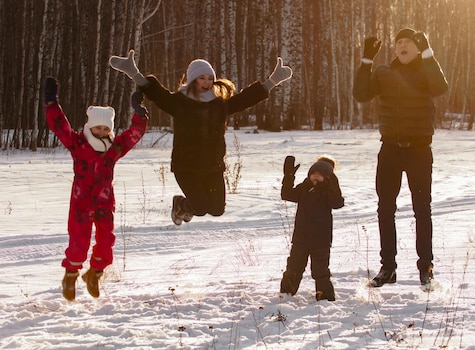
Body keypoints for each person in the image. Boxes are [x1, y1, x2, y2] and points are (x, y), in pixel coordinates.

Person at [109, 50, 292, 225]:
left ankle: (186, 206)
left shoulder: (218, 105)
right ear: (192, 80)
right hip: (186, 166)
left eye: (210, 78)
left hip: (212, 166)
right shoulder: (180, 102)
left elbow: (244, 100)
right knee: (201, 207)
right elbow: (156, 93)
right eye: (202, 78)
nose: (206, 82)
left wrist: (273, 81)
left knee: (217, 209)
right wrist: (133, 72)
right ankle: (181, 204)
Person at [352, 28, 449, 287]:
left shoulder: (426, 71)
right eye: (398, 43)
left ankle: (425, 267)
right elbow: (361, 94)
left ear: (417, 48)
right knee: (385, 208)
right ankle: (388, 268)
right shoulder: (383, 73)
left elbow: (441, 87)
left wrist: (429, 54)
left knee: (422, 209)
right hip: (390, 150)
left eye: (408, 42)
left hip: (418, 150)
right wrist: (366, 61)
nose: (402, 46)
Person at [44, 77, 149, 300]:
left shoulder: (113, 149)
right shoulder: (78, 144)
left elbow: (133, 135)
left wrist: (140, 114)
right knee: (79, 242)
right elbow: (60, 126)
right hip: (81, 204)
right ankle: (70, 276)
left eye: (105, 128)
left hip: (104, 203)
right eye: (97, 127)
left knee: (106, 242)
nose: (102, 132)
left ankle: (94, 274)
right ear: (90, 127)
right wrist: (51, 103)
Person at [279, 155, 345, 301]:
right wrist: (288, 176)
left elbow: (337, 203)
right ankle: (286, 294)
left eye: (320, 175)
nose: (316, 177)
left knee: (320, 270)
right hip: (301, 238)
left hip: (321, 240)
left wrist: (334, 186)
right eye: (313, 174)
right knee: (294, 267)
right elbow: (286, 194)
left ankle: (325, 297)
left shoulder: (328, 192)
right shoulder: (304, 188)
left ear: (327, 178)